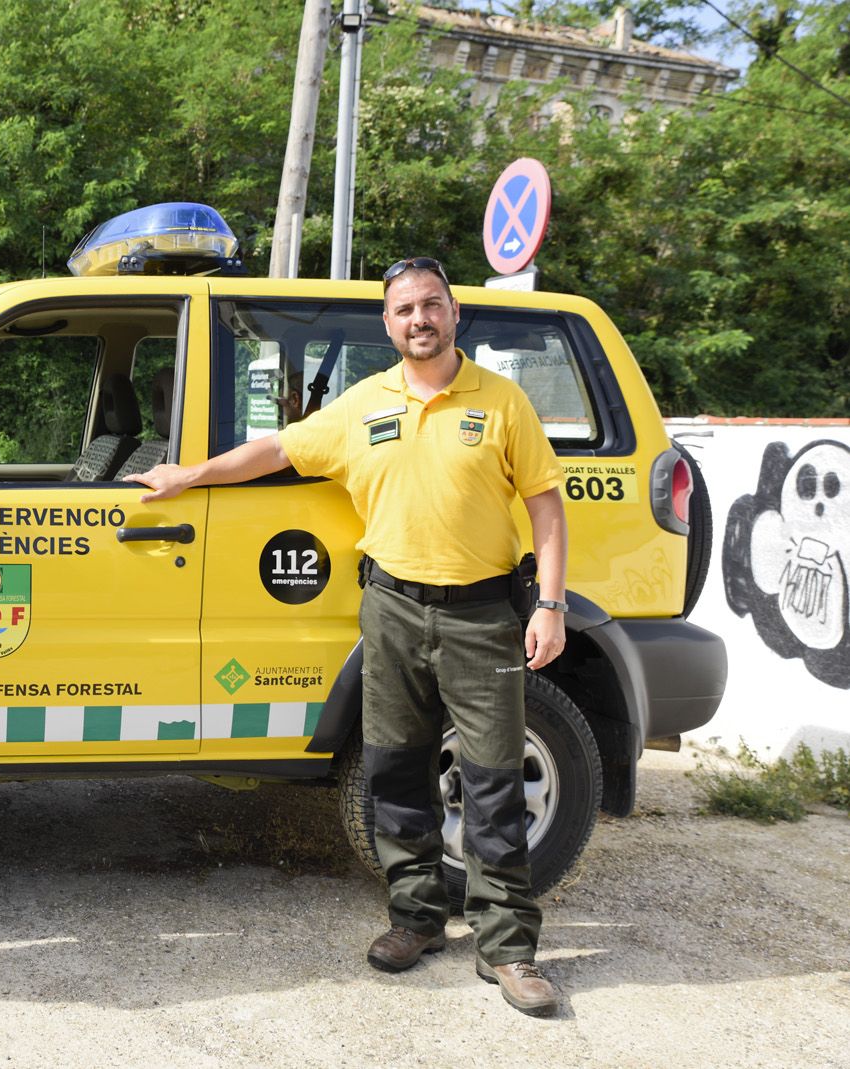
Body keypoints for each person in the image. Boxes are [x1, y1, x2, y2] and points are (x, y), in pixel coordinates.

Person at [126, 256, 568, 1016]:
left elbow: (547, 505)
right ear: (388, 323)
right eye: (404, 310)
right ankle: (416, 919)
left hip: (481, 612)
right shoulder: (364, 404)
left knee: (493, 780)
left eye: (432, 305)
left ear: (455, 313)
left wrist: (551, 604)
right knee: (396, 772)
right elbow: (274, 451)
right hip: (391, 608)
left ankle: (509, 949)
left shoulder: (503, 403)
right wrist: (189, 474)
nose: (419, 319)